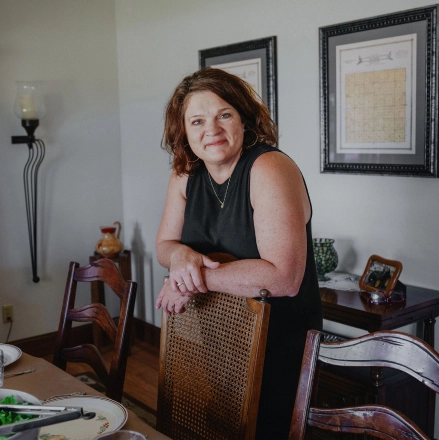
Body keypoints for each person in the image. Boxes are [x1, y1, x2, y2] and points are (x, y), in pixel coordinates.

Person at [155, 67, 322, 439]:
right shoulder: (185, 173)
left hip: (281, 346)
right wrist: (181, 257)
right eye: (197, 120)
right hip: (222, 339)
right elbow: (164, 246)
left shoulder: (269, 167)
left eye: (223, 114)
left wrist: (190, 281)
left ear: (244, 119)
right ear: (183, 131)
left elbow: (284, 277)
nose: (210, 129)